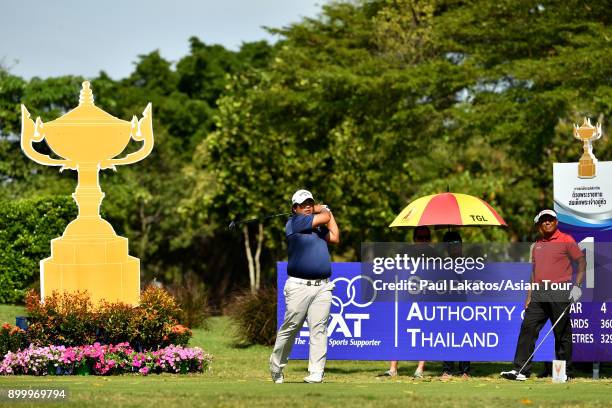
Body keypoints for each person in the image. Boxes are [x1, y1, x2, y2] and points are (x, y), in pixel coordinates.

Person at [501, 209, 585, 381]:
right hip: (539, 293)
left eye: (551, 219)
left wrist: (577, 286)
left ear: (556, 222)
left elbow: (581, 261)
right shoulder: (537, 244)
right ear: (539, 224)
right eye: (544, 220)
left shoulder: (566, 240)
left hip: (559, 292)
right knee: (528, 328)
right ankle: (521, 370)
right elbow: (534, 271)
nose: (547, 222)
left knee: (562, 333)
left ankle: (565, 373)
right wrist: (529, 295)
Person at [269, 189, 340, 384]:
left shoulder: (317, 227)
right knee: (290, 328)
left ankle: (316, 372)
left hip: (322, 286)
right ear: (295, 208)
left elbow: (335, 237)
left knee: (319, 329)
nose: (308, 206)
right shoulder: (295, 222)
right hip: (299, 286)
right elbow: (324, 215)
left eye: (310, 202)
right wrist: (323, 209)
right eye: (303, 204)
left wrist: (327, 211)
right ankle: (276, 366)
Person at [383, 226, 432, 378]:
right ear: (414, 239)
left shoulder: (435, 254)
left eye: (425, 238)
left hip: (426, 298)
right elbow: (396, 273)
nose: (422, 241)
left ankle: (420, 369)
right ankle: (393, 369)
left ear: (429, 239)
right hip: (405, 297)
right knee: (398, 331)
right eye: (419, 237)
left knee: (424, 333)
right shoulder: (404, 253)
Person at [440, 230, 471, 379]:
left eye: (457, 244)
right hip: (447, 306)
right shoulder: (442, 264)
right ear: (445, 247)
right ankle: (447, 370)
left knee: (465, 337)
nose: (454, 247)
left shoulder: (471, 263)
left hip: (465, 306)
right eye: (450, 244)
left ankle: (465, 370)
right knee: (447, 337)